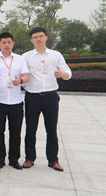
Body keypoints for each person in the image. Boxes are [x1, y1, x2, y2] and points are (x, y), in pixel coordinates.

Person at [22, 27, 72, 172]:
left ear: (46, 37)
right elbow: (21, 74)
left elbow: (68, 73)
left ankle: (53, 160)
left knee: (51, 129)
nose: (38, 39)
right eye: (35, 37)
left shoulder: (56, 55)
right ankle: (29, 158)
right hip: (32, 97)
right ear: (31, 40)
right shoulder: (26, 57)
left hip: (51, 97)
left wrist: (62, 74)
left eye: (41, 36)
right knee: (31, 129)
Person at [0, 32, 30, 170]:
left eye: (9, 42)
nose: (6, 45)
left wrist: (20, 81)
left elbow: (26, 76)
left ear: (13, 43)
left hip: (16, 101)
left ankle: (14, 159)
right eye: (3, 42)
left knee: (15, 131)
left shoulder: (20, 59)